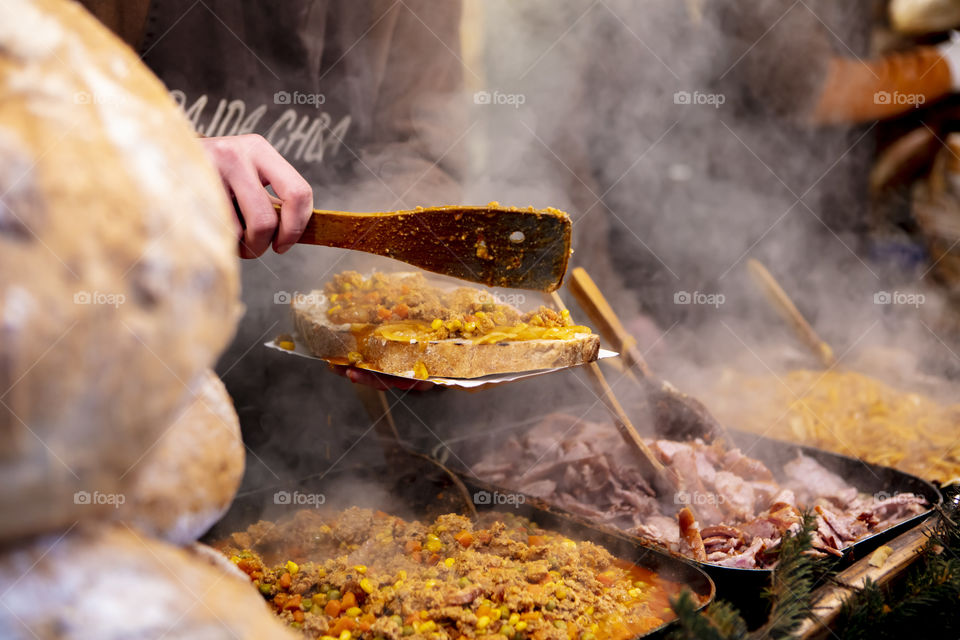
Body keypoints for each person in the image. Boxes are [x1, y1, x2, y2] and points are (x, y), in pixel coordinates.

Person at [81, 0, 465, 476]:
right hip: (102, 375)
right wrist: (158, 160)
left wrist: (397, 303)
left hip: (315, 389)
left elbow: (420, 149)